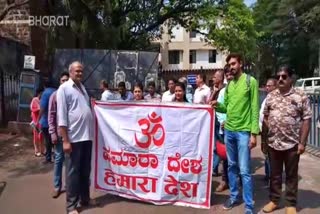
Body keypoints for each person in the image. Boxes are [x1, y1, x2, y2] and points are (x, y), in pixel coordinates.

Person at [210, 53, 260, 214]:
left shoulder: (250, 81)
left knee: (244, 170)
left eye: (233, 64)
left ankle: (249, 206)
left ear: (241, 63)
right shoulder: (229, 85)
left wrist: (254, 134)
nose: (231, 67)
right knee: (231, 166)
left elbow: (254, 109)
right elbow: (227, 108)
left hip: (243, 132)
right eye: (229, 64)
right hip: (229, 131)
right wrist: (218, 105)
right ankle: (233, 196)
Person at [262, 66, 311, 214]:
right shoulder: (271, 96)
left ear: (291, 79)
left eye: (284, 76)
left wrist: (302, 143)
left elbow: (307, 120)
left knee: (291, 175)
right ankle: (274, 200)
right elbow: (265, 117)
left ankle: (290, 204)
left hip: (292, 144)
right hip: (273, 143)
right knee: (274, 175)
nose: (280, 79)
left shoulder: (300, 96)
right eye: (278, 77)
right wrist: (264, 141)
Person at [57, 61, 97, 214]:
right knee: (73, 173)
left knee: (85, 171)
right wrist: (65, 140)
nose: (80, 73)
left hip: (86, 137)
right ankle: (71, 207)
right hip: (74, 138)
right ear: (70, 72)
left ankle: (84, 199)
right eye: (77, 71)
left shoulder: (82, 88)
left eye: (81, 71)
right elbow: (62, 118)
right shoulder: (64, 89)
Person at [48, 72, 69, 198]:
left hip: (71, 135)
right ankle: (57, 187)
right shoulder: (54, 96)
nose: (65, 82)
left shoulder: (72, 95)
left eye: (67, 80)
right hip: (59, 135)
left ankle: (69, 186)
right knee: (58, 160)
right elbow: (51, 116)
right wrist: (53, 134)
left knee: (70, 162)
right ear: (59, 82)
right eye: (63, 80)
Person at [209, 69, 229, 192]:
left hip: (223, 125)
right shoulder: (216, 91)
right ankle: (221, 175)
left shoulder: (226, 91)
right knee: (217, 150)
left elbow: (226, 108)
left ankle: (225, 180)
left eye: (215, 77)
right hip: (215, 124)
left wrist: (224, 121)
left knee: (225, 153)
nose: (213, 78)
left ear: (221, 78)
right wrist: (214, 92)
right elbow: (209, 104)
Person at [259, 78, 277, 183]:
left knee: (271, 155)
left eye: (269, 86)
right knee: (265, 153)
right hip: (264, 131)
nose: (267, 87)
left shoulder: (276, 99)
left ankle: (272, 176)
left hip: (271, 131)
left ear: (275, 87)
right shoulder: (267, 98)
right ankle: (268, 174)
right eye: (266, 85)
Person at [38, 79, 56, 164]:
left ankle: (48, 157)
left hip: (46, 121)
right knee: (55, 140)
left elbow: (42, 108)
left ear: (44, 86)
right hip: (56, 120)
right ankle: (56, 156)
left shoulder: (45, 93)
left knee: (47, 140)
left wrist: (38, 119)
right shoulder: (56, 91)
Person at [30, 88, 44, 157]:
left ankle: (42, 150)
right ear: (39, 93)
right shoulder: (35, 99)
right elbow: (33, 108)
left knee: (41, 136)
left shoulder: (41, 100)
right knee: (36, 136)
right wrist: (41, 109)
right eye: (42, 93)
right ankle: (36, 150)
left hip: (41, 121)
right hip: (36, 121)